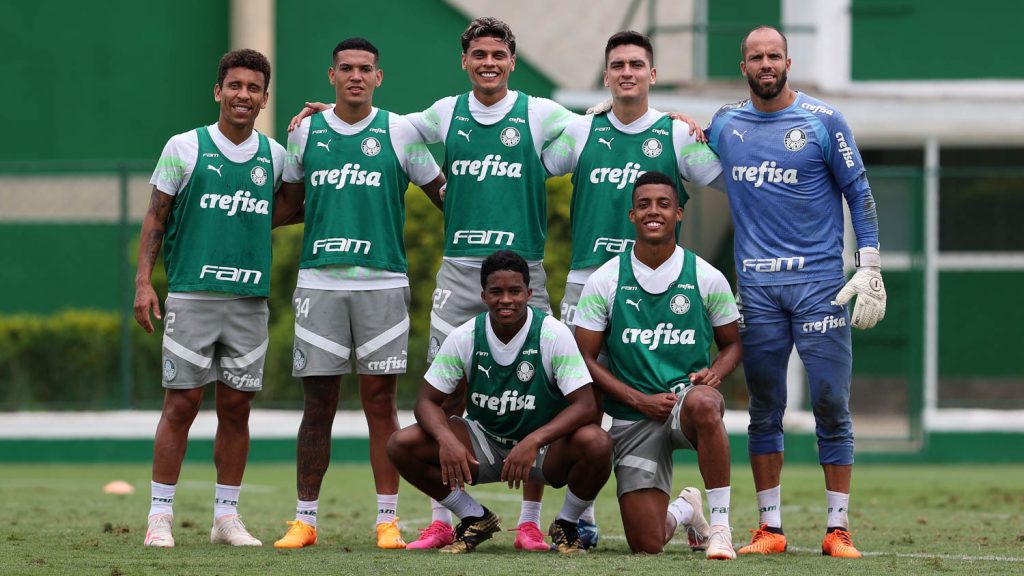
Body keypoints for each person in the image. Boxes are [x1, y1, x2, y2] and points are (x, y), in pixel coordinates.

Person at [705, 26, 886, 559]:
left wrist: (870, 263)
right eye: (755, 57)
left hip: (820, 287)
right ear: (743, 66)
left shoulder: (824, 121)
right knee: (765, 406)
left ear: (789, 61)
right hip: (757, 288)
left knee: (832, 402)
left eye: (773, 55)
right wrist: (633, 115)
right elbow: (686, 150)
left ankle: (838, 529)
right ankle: (770, 529)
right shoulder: (725, 123)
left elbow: (859, 191)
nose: (765, 64)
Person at [541, 29, 723, 550]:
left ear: (652, 75)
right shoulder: (581, 132)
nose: (627, 72)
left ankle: (582, 516)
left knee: (636, 394)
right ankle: (583, 515)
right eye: (617, 64)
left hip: (650, 287)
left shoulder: (676, 134)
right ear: (606, 76)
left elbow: (729, 178)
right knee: (579, 399)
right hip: (586, 279)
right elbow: (527, 159)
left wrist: (716, 127)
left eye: (636, 64)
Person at [270, 38, 445, 550]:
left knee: (380, 404)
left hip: (383, 282)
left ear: (378, 77)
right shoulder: (306, 134)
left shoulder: (400, 132)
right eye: (346, 68)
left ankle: (387, 521)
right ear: (331, 76)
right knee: (317, 404)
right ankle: (304, 520)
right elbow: (287, 206)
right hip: (319, 282)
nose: (355, 76)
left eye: (364, 69)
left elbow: (446, 196)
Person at [134, 48, 286, 548]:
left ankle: (226, 517)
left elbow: (293, 205)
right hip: (192, 295)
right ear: (218, 91)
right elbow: (156, 216)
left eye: (254, 88)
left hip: (249, 299)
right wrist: (143, 283)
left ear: (264, 99)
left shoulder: (275, 157)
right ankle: (160, 515)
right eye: (235, 85)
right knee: (181, 404)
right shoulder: (184, 146)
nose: (244, 95)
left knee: (237, 409)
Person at [387, 250, 613, 555]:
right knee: (402, 444)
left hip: (543, 451)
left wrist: (534, 440)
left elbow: (585, 404)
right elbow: (426, 401)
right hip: (485, 444)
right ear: (483, 295)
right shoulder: (465, 336)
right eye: (496, 291)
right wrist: (446, 440)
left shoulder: (552, 333)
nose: (506, 299)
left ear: (529, 294)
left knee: (598, 442)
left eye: (515, 291)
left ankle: (567, 523)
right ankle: (474, 517)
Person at [574, 171, 742, 559]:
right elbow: (584, 357)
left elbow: (733, 344)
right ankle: (686, 510)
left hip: (686, 405)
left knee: (703, 402)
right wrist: (638, 401)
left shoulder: (704, 276)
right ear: (632, 215)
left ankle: (720, 528)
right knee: (646, 544)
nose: (654, 211)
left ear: (678, 214)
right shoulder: (606, 279)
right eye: (645, 204)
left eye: (664, 204)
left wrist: (715, 373)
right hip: (634, 417)